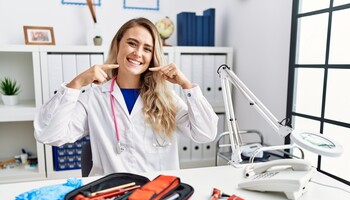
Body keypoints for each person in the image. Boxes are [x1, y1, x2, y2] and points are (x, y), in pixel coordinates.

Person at [34, 17, 218, 176]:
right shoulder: (94, 97)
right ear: (118, 45)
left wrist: (187, 86)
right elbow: (49, 135)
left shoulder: (166, 97)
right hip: (110, 194)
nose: (138, 53)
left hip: (157, 195)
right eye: (132, 43)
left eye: (147, 48)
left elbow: (205, 133)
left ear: (153, 55)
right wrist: (77, 83)